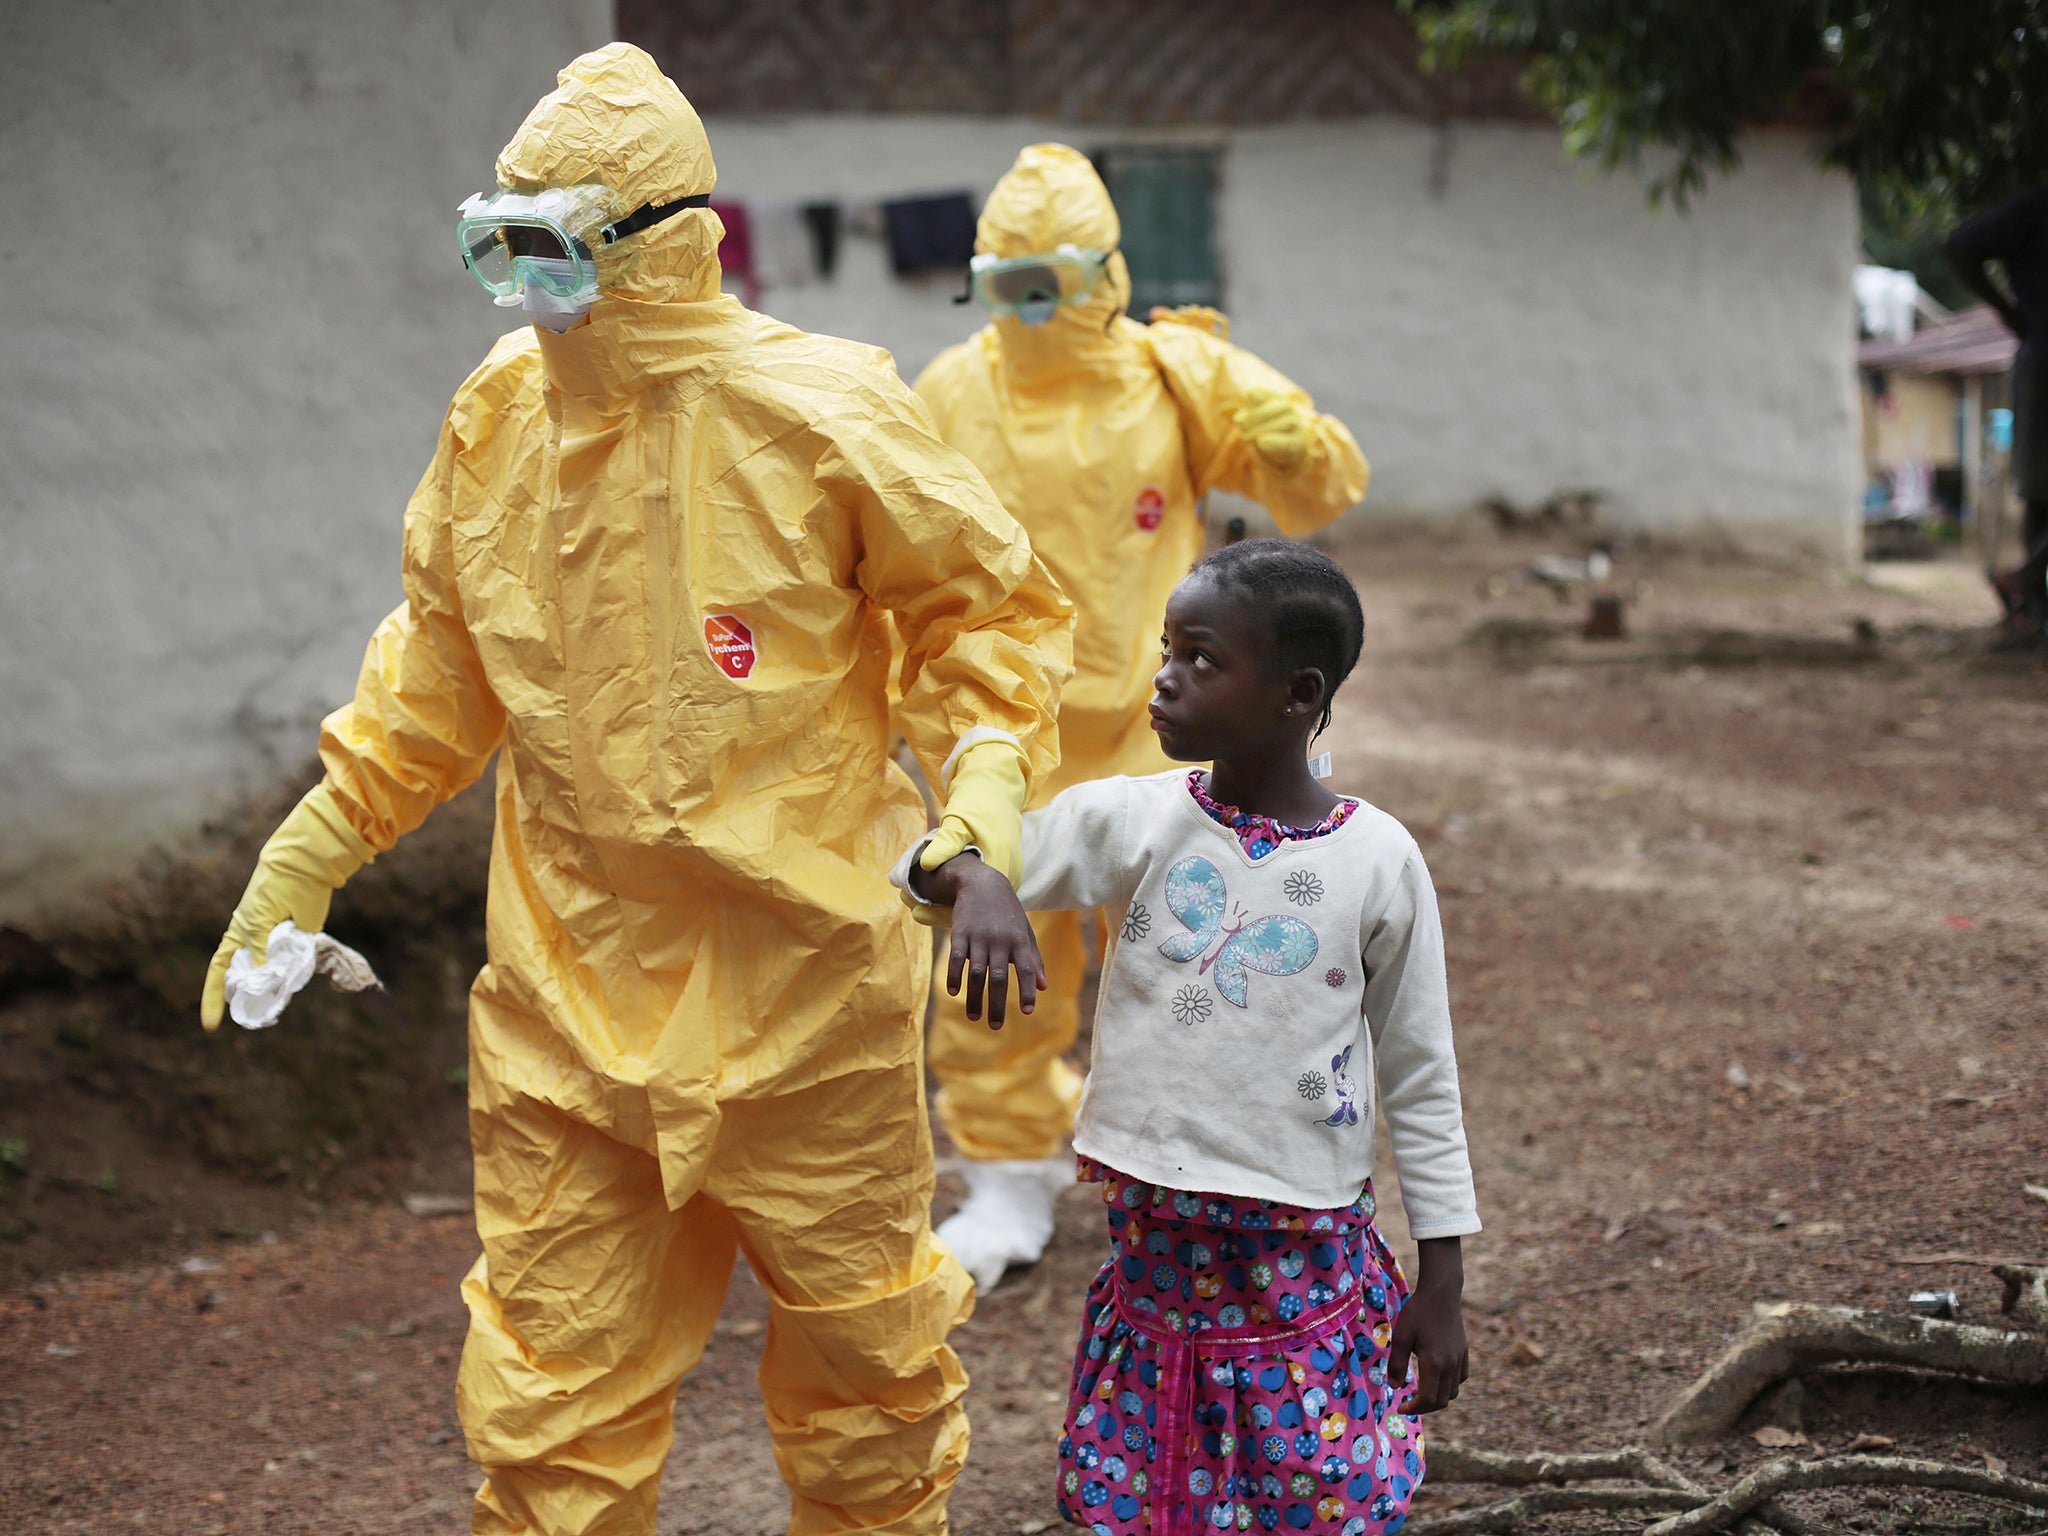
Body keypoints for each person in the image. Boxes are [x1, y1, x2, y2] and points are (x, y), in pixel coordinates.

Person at [198, 44, 1072, 1536]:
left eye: (551, 250)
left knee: (868, 1380)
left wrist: (976, 816)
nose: (526, 289)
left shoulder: (824, 411)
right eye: (501, 245)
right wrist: (310, 849)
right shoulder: (499, 420)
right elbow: (436, 670)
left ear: (662, 241)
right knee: (549, 1399)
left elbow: (983, 622)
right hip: (570, 1011)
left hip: (807, 997)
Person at [898, 540, 1479, 1536]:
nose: (1162, 678)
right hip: (1154, 1246)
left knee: (1310, 1485)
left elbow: (1420, 1076)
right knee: (1149, 1480)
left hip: (1300, 1240)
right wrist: (976, 879)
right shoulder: (1136, 821)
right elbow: (932, 868)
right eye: (1166, 649)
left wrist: (1443, 1281)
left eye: (1200, 659)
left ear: (1297, 694)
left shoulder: (1377, 861)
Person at [914, 144, 1371, 1291]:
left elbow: (1319, 490)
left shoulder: (1172, 375)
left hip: (1157, 726)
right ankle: (1008, 1176)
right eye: (1002, 281)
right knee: (991, 960)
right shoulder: (946, 393)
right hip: (1002, 738)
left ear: (1101, 278)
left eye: (1046, 283)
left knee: (1188, 954)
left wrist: (1273, 427)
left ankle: (1203, 1167)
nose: (1025, 308)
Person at [1946, 184, 2048, 639]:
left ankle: (2029, 586)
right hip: (2044, 355)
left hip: (2039, 355)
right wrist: (2007, 311)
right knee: (2041, 492)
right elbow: (1958, 247)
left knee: (2040, 494)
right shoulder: (2036, 206)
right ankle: (2032, 604)